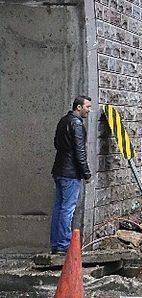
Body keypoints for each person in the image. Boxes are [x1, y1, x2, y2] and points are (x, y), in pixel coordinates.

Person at [50, 95, 92, 255]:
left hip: (59, 170)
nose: (89, 110)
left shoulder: (63, 121)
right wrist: (86, 173)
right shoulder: (77, 124)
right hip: (70, 173)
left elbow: (56, 143)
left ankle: (56, 244)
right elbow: (79, 152)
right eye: (87, 107)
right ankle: (64, 246)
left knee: (59, 208)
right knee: (67, 209)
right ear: (79, 107)